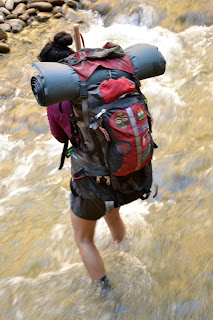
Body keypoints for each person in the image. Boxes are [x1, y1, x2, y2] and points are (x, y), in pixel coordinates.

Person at [38, 31, 127, 292]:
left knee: (84, 239)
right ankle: (125, 252)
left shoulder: (55, 103)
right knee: (112, 215)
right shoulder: (102, 84)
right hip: (119, 165)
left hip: (89, 176)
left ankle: (106, 293)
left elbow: (58, 137)